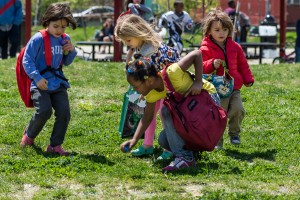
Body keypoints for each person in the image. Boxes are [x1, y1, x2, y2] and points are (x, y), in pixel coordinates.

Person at [120, 50, 218, 172]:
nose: (135, 90)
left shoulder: (172, 72)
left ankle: (185, 158)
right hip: (192, 113)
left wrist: (198, 82)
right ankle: (191, 151)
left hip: (209, 102)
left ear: (149, 80)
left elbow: (197, 54)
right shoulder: (151, 94)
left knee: (166, 109)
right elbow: (147, 117)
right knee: (163, 140)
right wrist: (134, 140)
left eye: (136, 86)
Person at [115, 14, 180, 160]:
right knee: (148, 115)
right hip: (153, 89)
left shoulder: (150, 50)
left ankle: (168, 148)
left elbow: (153, 72)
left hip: (165, 89)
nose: (128, 44)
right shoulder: (141, 48)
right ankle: (147, 144)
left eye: (128, 40)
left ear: (137, 32)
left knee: (164, 117)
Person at [20, 3, 77, 156]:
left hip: (58, 83)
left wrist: (71, 51)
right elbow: (27, 60)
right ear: (47, 23)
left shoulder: (65, 39)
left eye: (63, 27)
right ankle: (29, 136)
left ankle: (55, 145)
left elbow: (66, 62)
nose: (60, 30)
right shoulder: (38, 39)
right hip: (40, 84)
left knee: (64, 112)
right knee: (44, 111)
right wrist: (37, 78)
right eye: (56, 26)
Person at [200, 9, 254, 148]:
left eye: (225, 29)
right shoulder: (205, 48)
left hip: (234, 86)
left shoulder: (235, 47)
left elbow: (243, 64)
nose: (221, 33)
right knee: (220, 114)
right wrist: (212, 63)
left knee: (238, 109)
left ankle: (234, 133)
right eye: (217, 30)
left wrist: (248, 79)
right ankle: (217, 140)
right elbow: (200, 67)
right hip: (218, 89)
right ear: (209, 31)